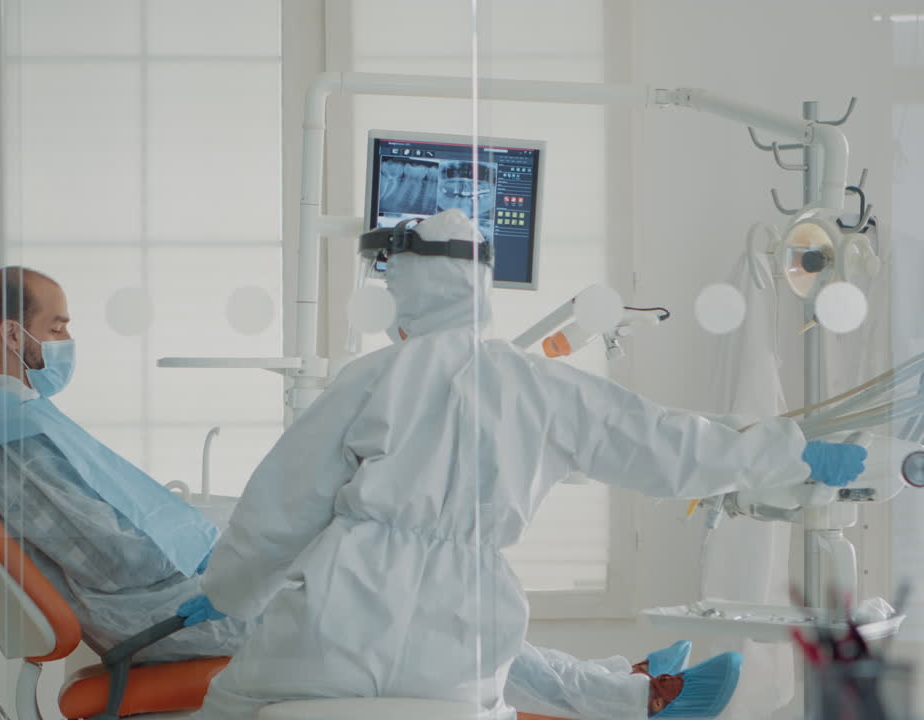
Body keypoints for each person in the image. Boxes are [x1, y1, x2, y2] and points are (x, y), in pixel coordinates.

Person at [182, 209, 867, 720]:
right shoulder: (541, 385)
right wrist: (791, 454)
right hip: (463, 644)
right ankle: (629, 696)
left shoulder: (372, 377)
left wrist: (229, 589)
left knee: (230, 705)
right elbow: (666, 445)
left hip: (334, 626)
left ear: (407, 287)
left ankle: (630, 694)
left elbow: (282, 505)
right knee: (499, 685)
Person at [0, 265, 713, 719]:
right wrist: (224, 577)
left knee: (406, 584)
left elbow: (124, 520)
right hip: (167, 620)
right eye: (57, 327)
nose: (67, 340)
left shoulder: (20, 418)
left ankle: (617, 684)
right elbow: (113, 557)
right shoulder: (6, 436)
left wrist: (223, 535)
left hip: (181, 593)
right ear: (15, 337)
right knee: (405, 603)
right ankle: (625, 700)